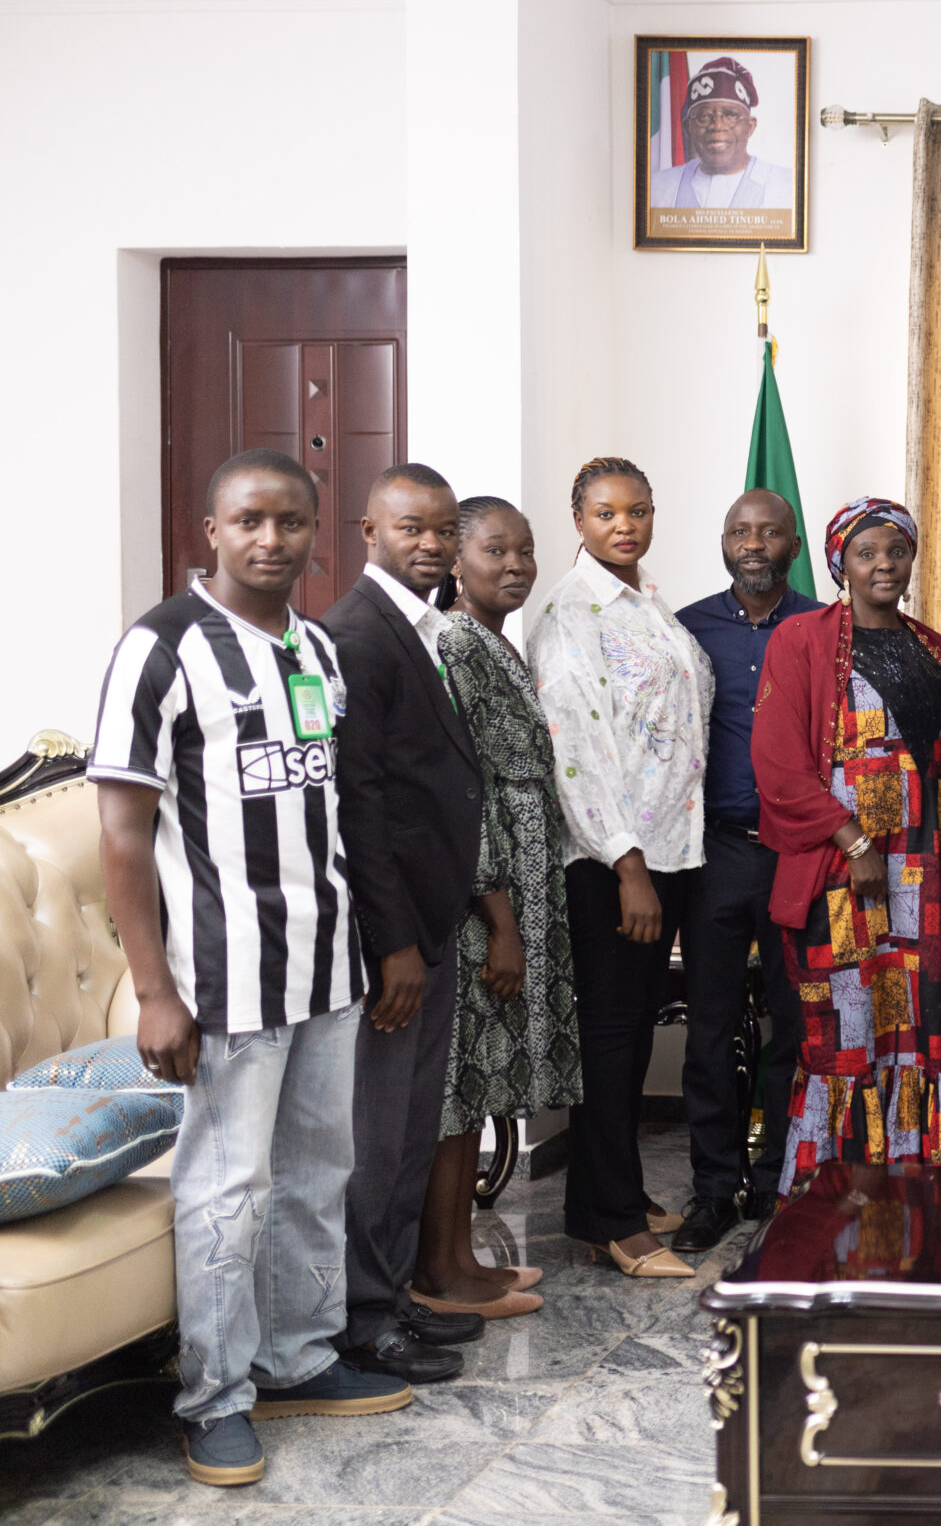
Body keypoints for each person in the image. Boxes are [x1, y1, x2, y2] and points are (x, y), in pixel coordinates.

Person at [90, 449, 411, 1488]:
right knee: (230, 1189)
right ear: (211, 531)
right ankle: (216, 1398)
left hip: (326, 968)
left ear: (317, 533)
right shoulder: (161, 649)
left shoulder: (315, 648)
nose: (270, 539)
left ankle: (298, 1357)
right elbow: (123, 837)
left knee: (317, 1176)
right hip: (224, 979)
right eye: (248, 521)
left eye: (290, 522)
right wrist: (154, 992)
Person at [529, 457, 714, 1280]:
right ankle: (614, 1224)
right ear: (579, 520)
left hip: (668, 850)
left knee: (633, 1032)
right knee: (609, 1039)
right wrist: (627, 864)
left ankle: (611, 1196)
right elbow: (577, 750)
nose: (624, 524)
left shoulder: (647, 603)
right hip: (614, 861)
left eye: (637, 510)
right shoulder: (571, 613)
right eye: (606, 512)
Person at [323, 462, 486, 1384]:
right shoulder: (357, 635)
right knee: (378, 1140)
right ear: (369, 532)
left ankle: (390, 1299)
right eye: (410, 527)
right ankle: (361, 1320)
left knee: (411, 1132)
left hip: (432, 922)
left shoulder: (418, 627)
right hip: (393, 940)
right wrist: (392, 944)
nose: (430, 542)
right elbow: (362, 804)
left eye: (442, 529)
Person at [753, 496, 941, 1178]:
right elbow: (778, 765)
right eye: (866, 553)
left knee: (912, 1029)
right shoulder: (801, 639)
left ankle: (908, 1187)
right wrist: (854, 842)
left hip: (920, 873)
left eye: (897, 551)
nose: (884, 564)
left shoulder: (935, 649)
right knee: (842, 1034)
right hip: (840, 871)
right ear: (840, 564)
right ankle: (829, 1194)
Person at [411, 498, 577, 1321]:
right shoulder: (453, 643)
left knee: (475, 1090)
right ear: (456, 560)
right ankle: (438, 1272)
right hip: (482, 903)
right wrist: (501, 922)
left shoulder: (498, 642)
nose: (515, 564)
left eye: (526, 549)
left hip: (522, 886)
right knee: (457, 1086)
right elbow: (462, 793)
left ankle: (463, 1258)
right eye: (495, 550)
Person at [672, 489, 825, 1250]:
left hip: (800, 853)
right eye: (740, 530)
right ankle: (713, 1189)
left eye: (769, 531)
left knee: (797, 1025)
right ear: (724, 541)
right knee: (710, 1025)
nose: (753, 543)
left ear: (794, 544)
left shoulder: (825, 628)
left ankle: (777, 1179)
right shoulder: (686, 630)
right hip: (718, 852)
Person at [647, 57, 796, 212]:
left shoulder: (787, 186)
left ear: (750, 126)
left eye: (731, 115)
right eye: (704, 117)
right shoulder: (658, 187)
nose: (717, 126)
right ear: (688, 127)